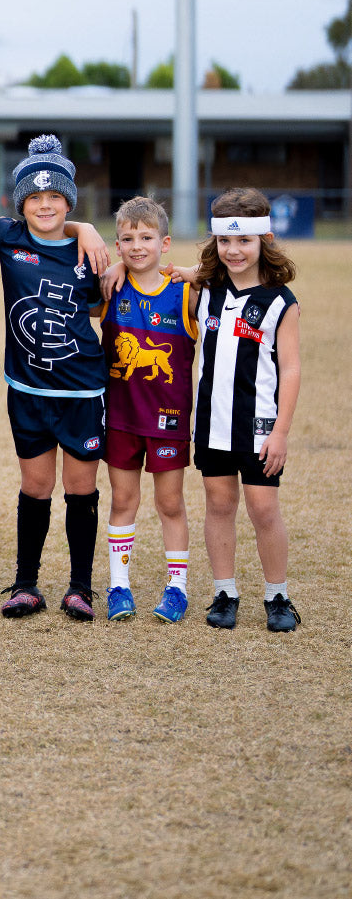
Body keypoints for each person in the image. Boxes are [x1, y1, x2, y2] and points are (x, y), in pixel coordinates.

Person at [0, 135, 108, 621]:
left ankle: (80, 588)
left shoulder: (90, 253)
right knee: (35, 486)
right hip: (27, 390)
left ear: (69, 201)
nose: (44, 205)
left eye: (55, 197)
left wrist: (86, 229)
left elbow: (101, 307)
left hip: (82, 390)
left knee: (80, 488)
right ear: (19, 202)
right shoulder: (7, 237)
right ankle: (26, 584)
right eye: (34, 197)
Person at [191, 188, 302, 632]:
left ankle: (278, 596)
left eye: (244, 241)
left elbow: (290, 370)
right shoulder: (204, 290)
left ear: (264, 240)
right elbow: (154, 273)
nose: (233, 250)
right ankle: (225, 592)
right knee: (219, 505)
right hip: (211, 424)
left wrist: (281, 431)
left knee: (263, 509)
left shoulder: (281, 301)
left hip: (258, 427)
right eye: (225, 241)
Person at [95, 197, 196, 624]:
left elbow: (233, 271)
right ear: (117, 245)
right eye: (128, 239)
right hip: (121, 418)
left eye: (147, 237)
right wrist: (112, 267)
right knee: (123, 499)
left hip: (168, 420)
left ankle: (177, 589)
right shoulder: (109, 289)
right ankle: (119, 586)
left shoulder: (186, 293)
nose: (137, 246)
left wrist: (191, 271)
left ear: (165, 243)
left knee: (170, 503)